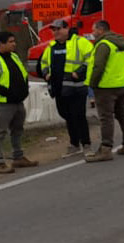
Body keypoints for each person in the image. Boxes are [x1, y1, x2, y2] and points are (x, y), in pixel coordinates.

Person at [0, 31, 36, 174]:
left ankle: (18, 157)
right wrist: (9, 93)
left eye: (14, 41)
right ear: (1, 44)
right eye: (11, 41)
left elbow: (22, 75)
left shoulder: (14, 56)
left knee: (17, 130)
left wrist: (24, 91)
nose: (14, 44)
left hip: (17, 102)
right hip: (2, 104)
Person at [38, 18, 93, 156]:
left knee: (78, 115)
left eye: (59, 29)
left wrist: (79, 73)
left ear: (67, 28)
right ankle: (74, 143)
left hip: (76, 88)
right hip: (59, 89)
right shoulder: (51, 46)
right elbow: (43, 63)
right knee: (66, 115)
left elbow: (91, 58)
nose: (56, 32)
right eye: (54, 30)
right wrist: (46, 74)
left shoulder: (80, 42)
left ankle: (86, 144)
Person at [84, 20, 124, 162]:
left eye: (94, 30)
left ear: (100, 30)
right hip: (120, 84)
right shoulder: (119, 43)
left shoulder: (103, 45)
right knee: (122, 115)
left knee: (106, 118)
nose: (93, 33)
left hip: (105, 86)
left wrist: (92, 84)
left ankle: (105, 149)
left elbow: (98, 66)